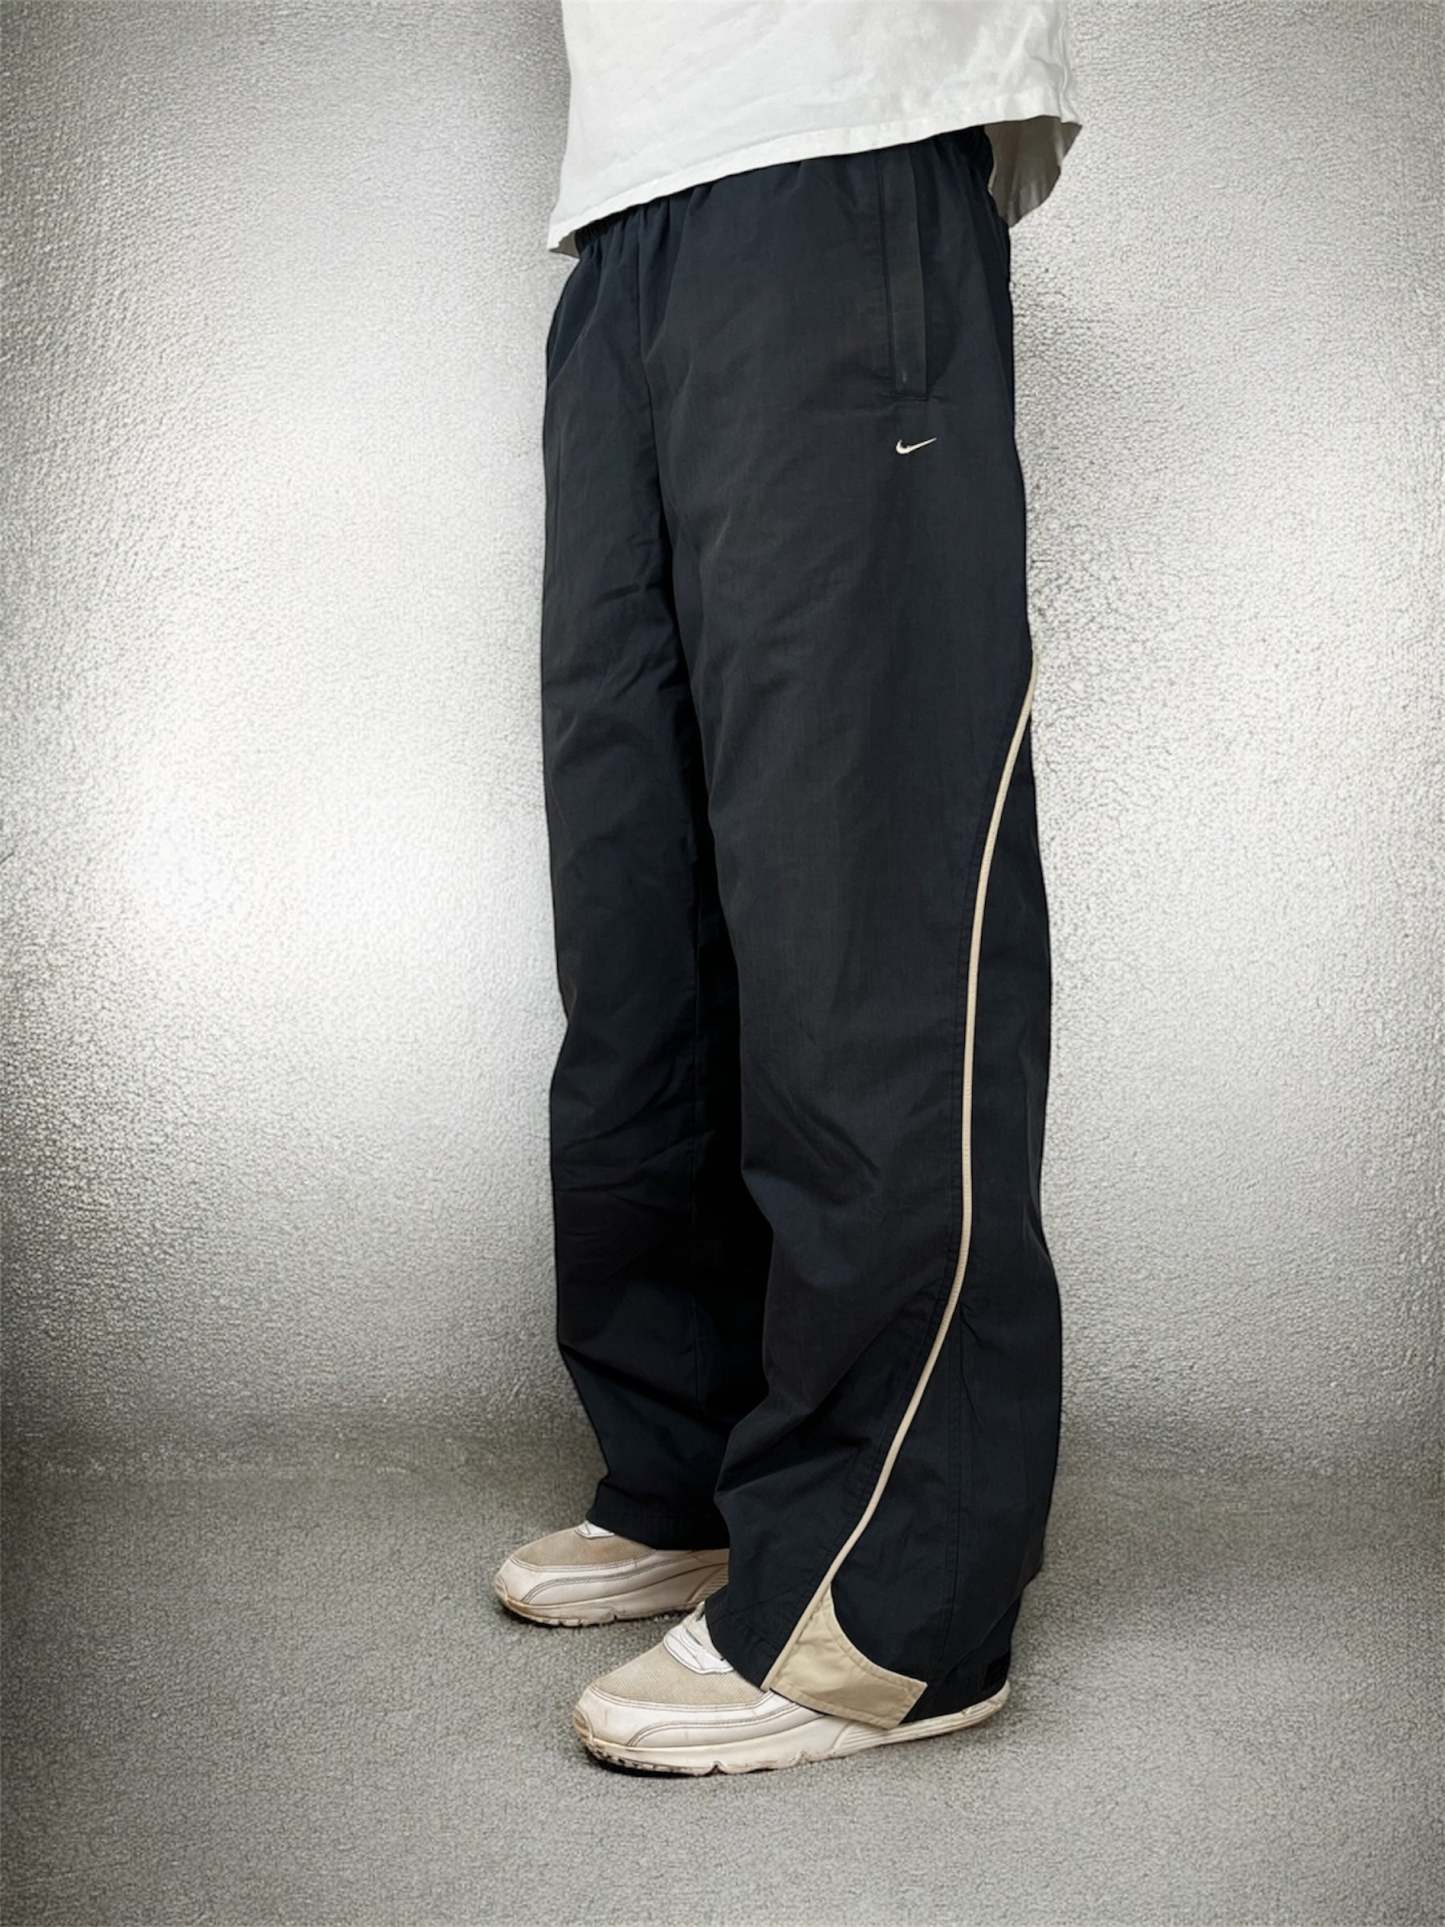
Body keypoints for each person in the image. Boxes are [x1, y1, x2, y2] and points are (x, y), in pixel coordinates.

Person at [494, 0, 1084, 1776]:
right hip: (629, 213)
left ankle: (888, 1607)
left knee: (861, 916)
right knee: (644, 913)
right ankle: (697, 1470)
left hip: (841, 145)